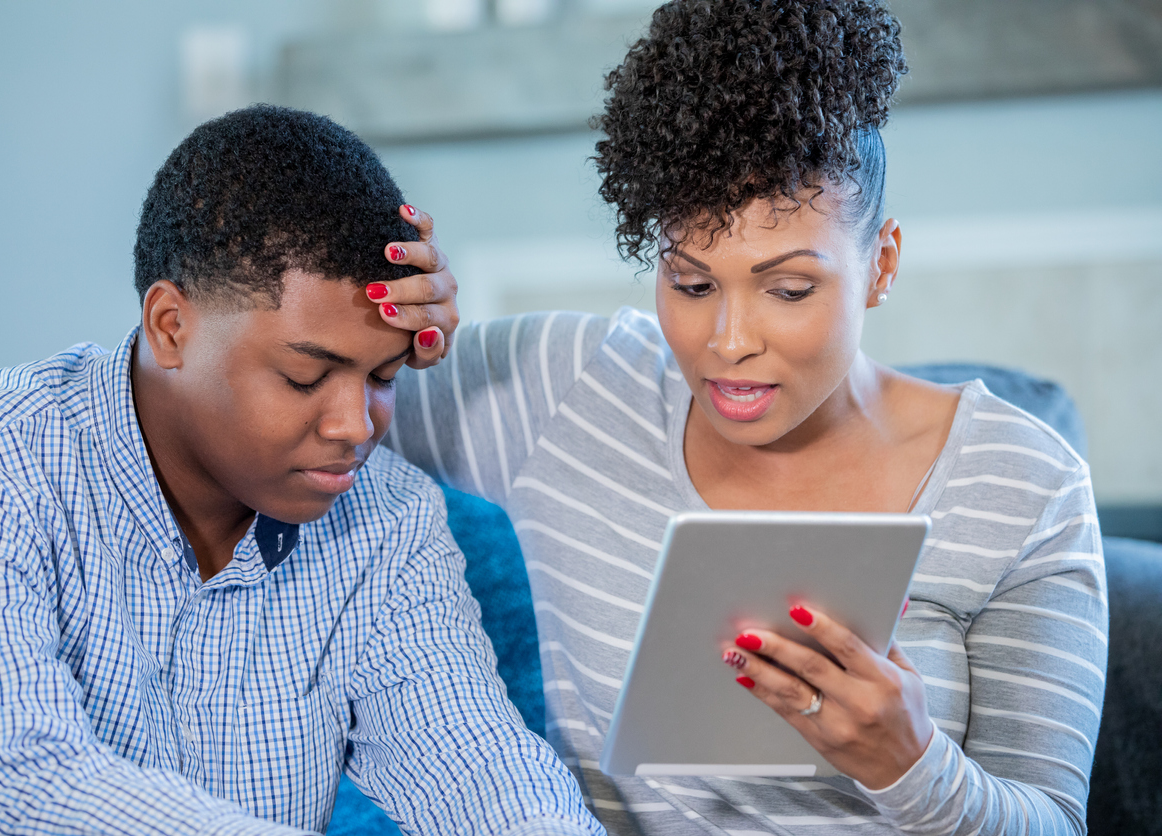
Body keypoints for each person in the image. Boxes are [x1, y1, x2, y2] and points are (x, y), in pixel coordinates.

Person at [370, 1, 1107, 833]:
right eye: (691, 284)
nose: (727, 342)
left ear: (882, 265)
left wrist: (911, 767)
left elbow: (1053, 822)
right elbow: (295, 411)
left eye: (789, 290)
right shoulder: (571, 389)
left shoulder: (1020, 484)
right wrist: (393, 323)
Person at [0, 105, 604, 836]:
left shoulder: (388, 520)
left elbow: (481, 775)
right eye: (306, 376)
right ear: (170, 326)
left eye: (385, 377)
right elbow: (1, 777)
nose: (355, 428)